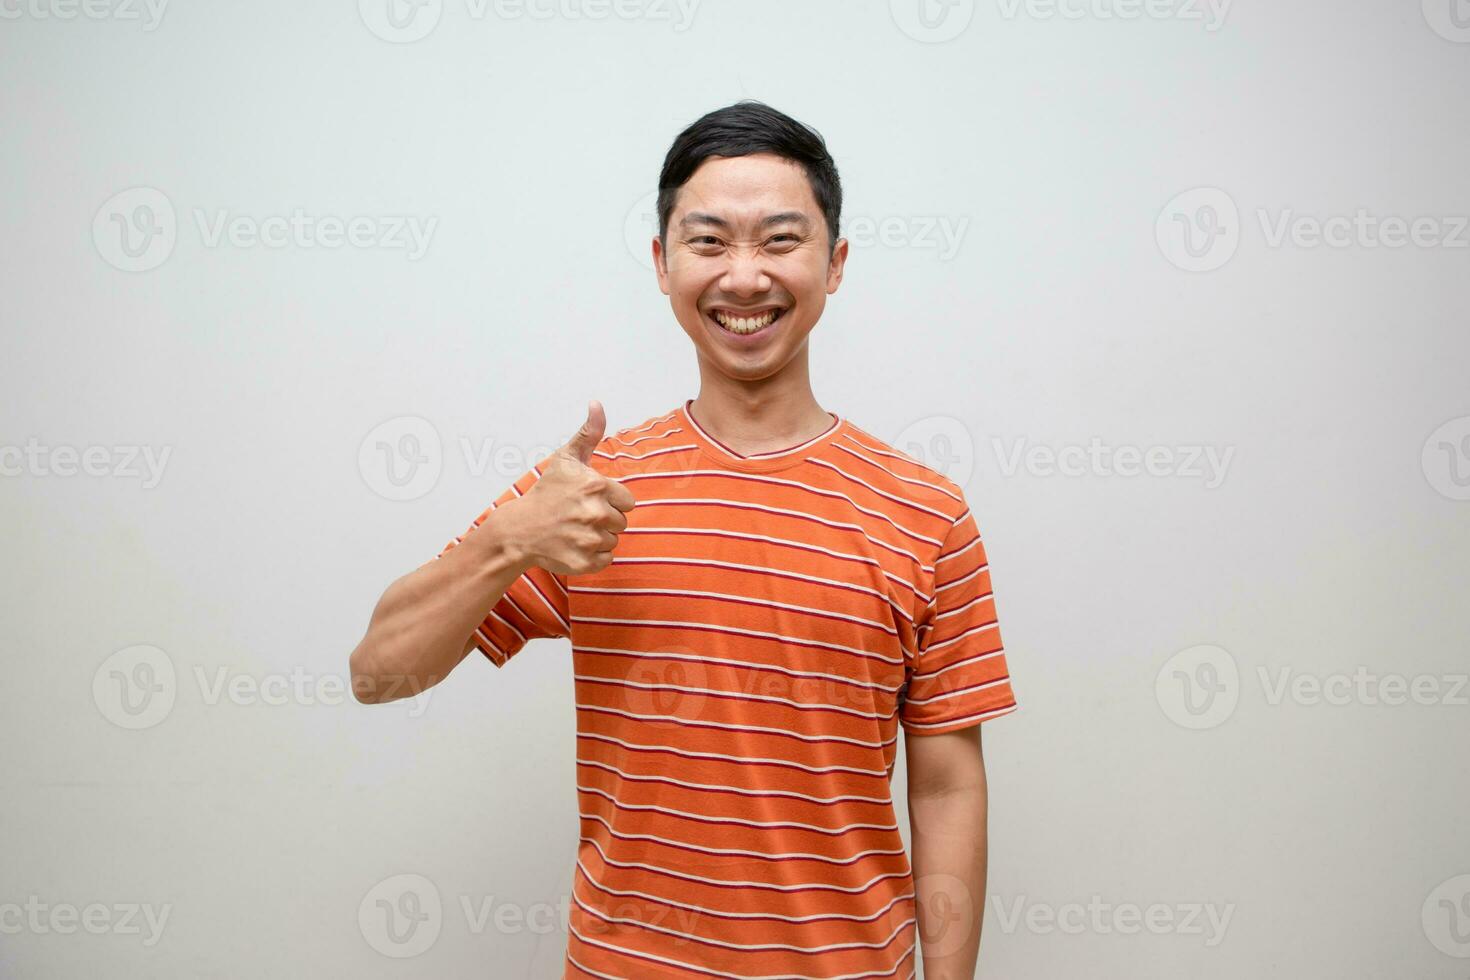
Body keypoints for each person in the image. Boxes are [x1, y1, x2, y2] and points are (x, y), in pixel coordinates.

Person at [349, 99, 1019, 979]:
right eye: (710, 242)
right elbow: (379, 672)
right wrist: (508, 543)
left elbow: (944, 785)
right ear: (663, 266)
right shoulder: (587, 497)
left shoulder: (925, 511)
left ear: (836, 262)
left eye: (781, 240)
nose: (745, 278)